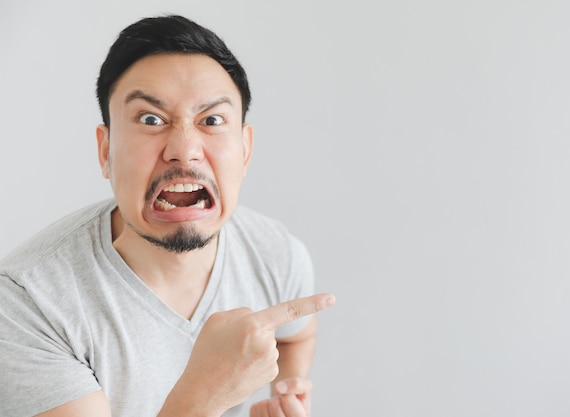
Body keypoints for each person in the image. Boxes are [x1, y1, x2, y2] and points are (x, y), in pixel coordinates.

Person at [0, 14, 335, 417]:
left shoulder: (274, 253)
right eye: (150, 119)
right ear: (105, 151)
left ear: (245, 151)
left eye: (211, 120)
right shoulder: (27, 305)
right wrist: (202, 395)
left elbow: (297, 337)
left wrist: (282, 396)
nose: (184, 149)